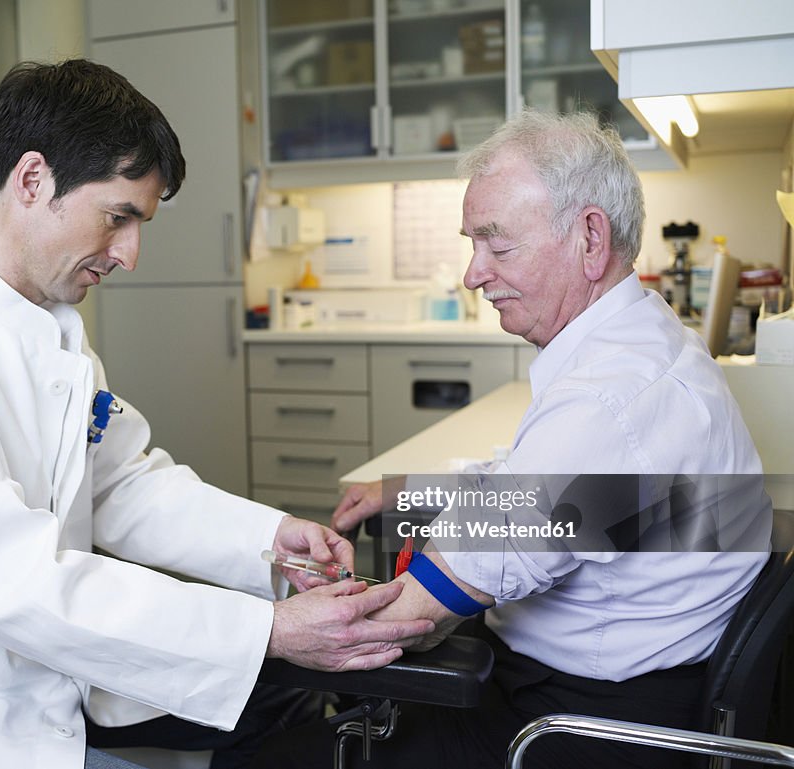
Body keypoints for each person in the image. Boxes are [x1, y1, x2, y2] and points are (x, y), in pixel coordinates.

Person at [0, 59, 434, 769]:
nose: (129, 253)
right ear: (32, 180)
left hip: (39, 683)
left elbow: (124, 483)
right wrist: (266, 629)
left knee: (279, 708)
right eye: (118, 217)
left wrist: (275, 542)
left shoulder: (49, 321)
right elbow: (10, 579)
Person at [255, 110, 771, 769]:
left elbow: (413, 619)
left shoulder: (607, 404)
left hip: (569, 726)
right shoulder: (646, 346)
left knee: (277, 756)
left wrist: (272, 633)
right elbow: (552, 489)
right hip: (628, 687)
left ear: (589, 237)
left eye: (499, 246)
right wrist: (420, 490)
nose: (474, 274)